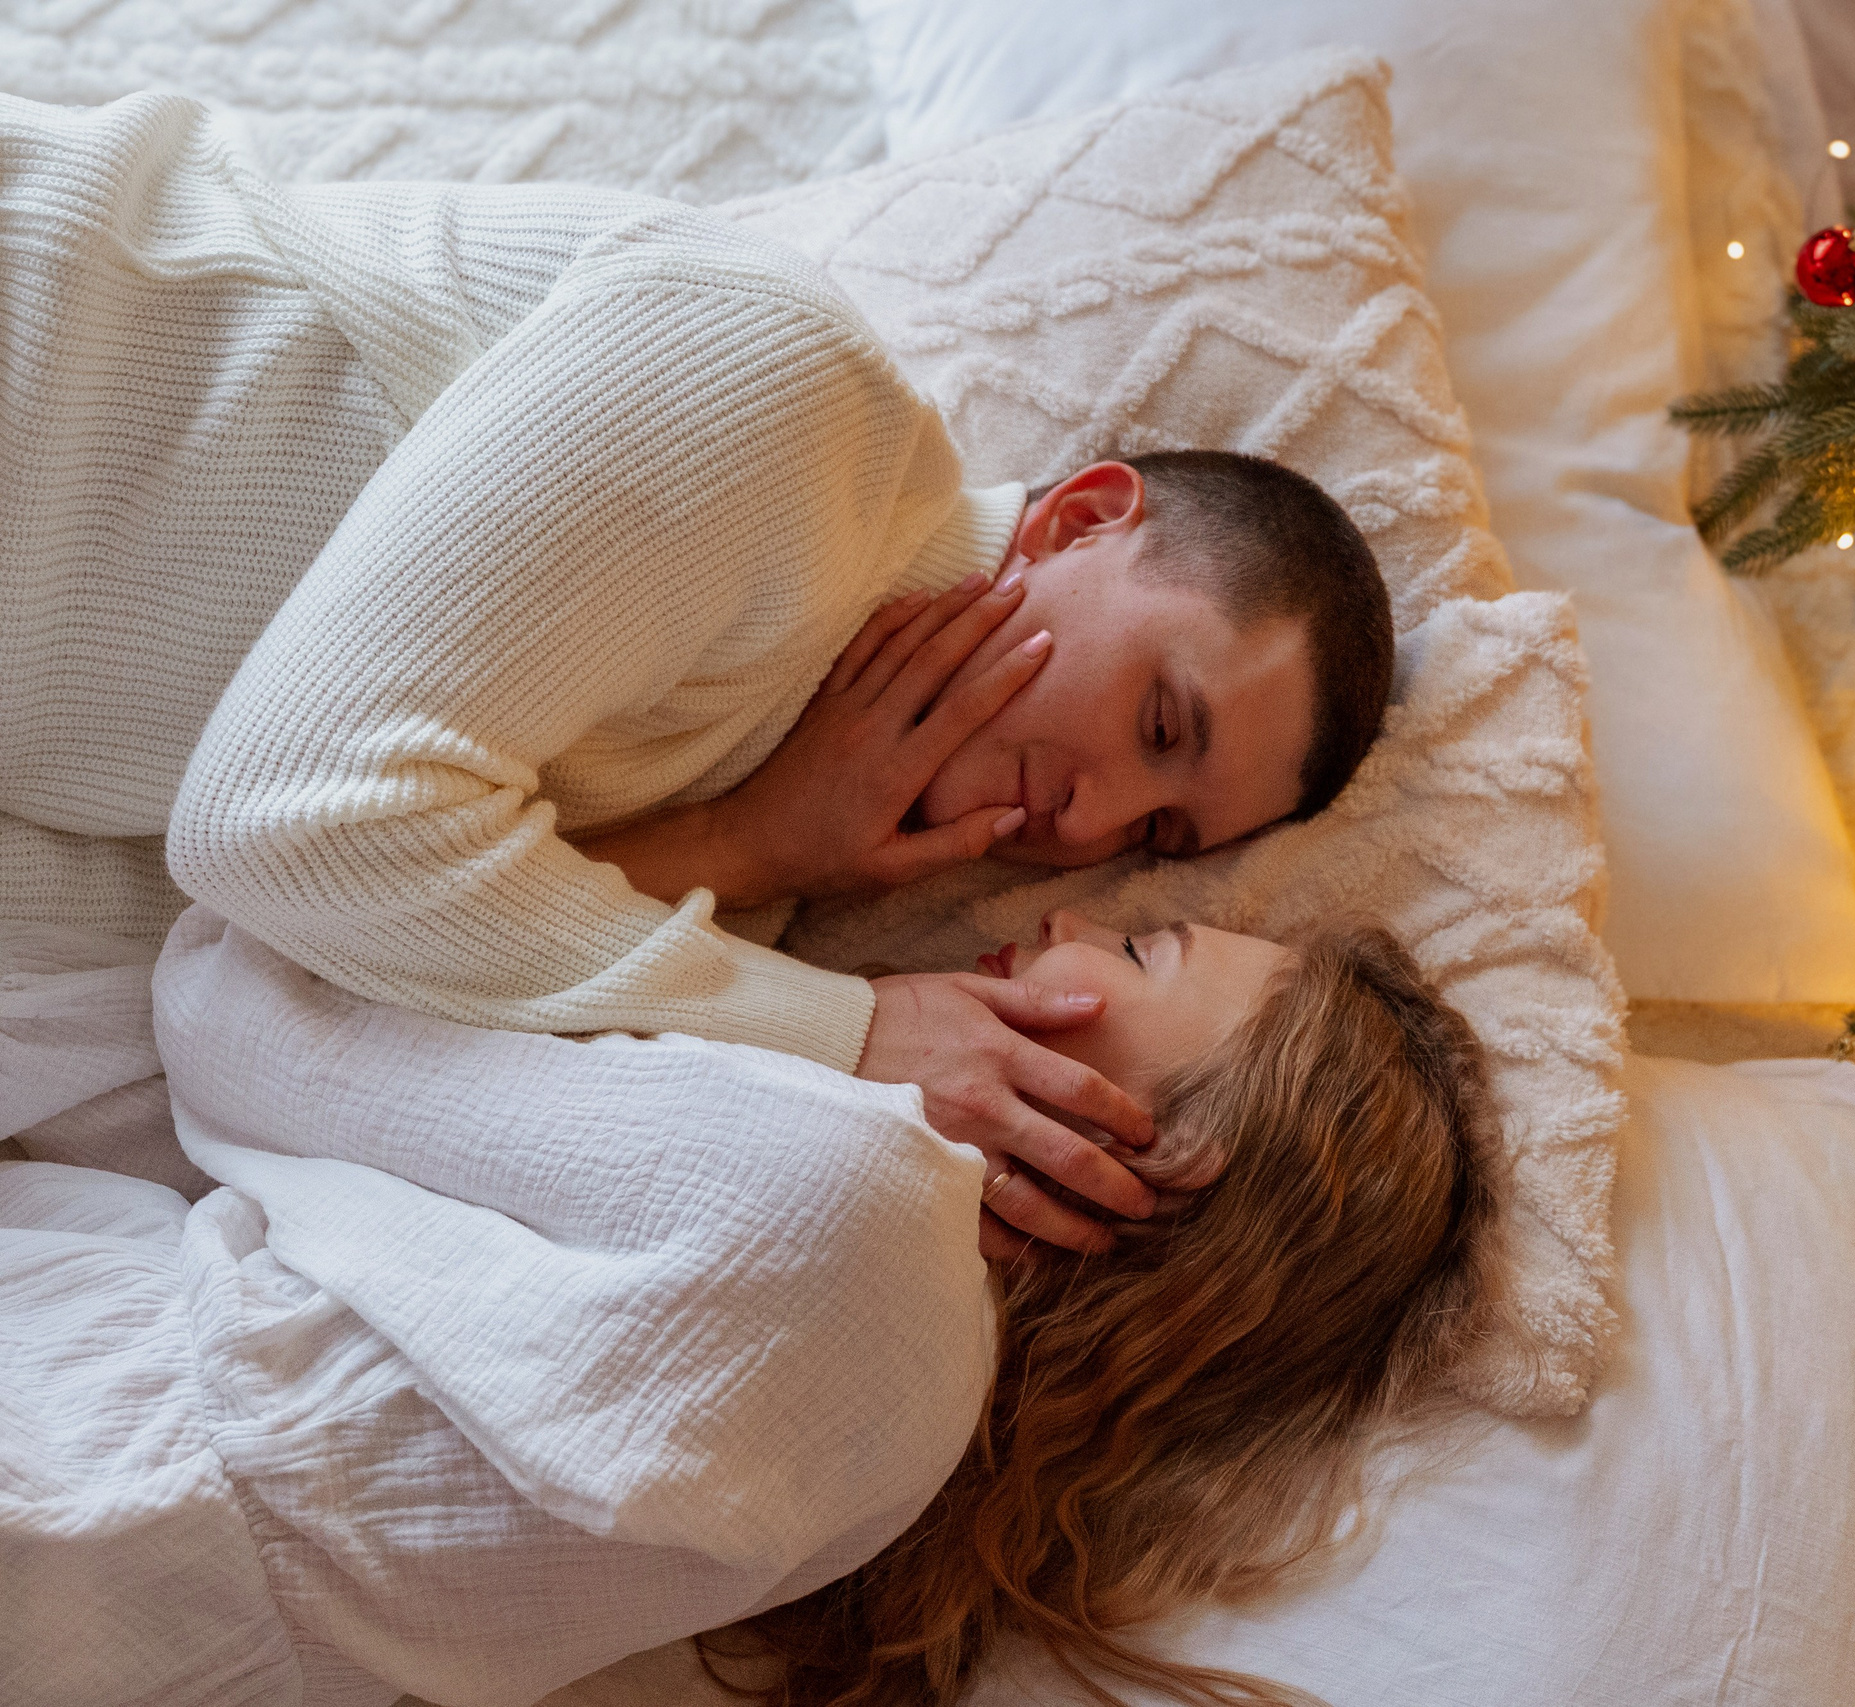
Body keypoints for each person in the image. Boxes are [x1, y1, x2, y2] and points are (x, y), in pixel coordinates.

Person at [0, 91, 1395, 1249]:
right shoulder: (789, 402)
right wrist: (844, 1032)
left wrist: (755, 844)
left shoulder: (744, 906)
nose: (1087, 828)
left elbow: (256, 977)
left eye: (1157, 834)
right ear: (1079, 523)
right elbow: (281, 827)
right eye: (1159, 720)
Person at [0, 904, 1499, 1707]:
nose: (1056, 921)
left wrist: (760, 845)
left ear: (1148, 1163)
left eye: (1139, 950)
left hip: (65, 1457)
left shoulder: (842, 1193)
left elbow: (232, 990)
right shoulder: (900, 1460)